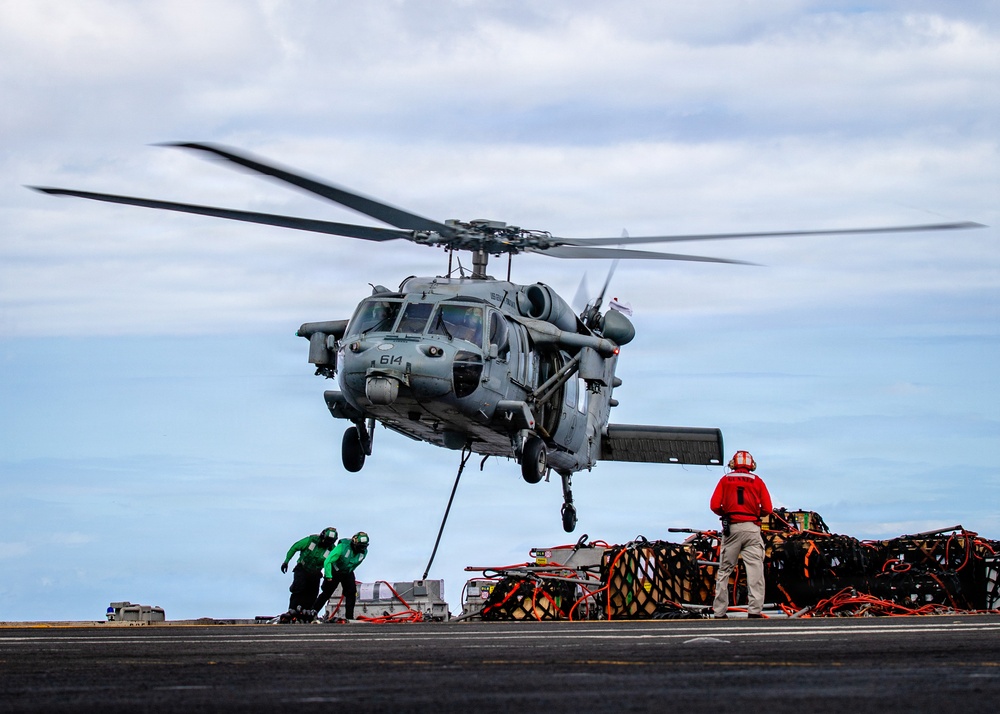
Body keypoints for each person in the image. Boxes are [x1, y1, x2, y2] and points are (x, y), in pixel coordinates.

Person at [710, 451, 773, 619]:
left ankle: (719, 611)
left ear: (733, 464)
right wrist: (754, 513)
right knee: (755, 571)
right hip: (752, 529)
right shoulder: (757, 481)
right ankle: (754, 611)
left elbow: (714, 505)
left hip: (732, 528)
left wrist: (726, 513)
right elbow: (767, 508)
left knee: (724, 570)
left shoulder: (725, 480)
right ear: (751, 464)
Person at [280, 527, 338, 620]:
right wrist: (286, 561)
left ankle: (307, 611)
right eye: (326, 540)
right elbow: (295, 547)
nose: (327, 543)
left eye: (330, 541)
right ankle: (292, 609)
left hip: (316, 571)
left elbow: (334, 561)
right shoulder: (311, 540)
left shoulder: (332, 549)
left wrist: (329, 576)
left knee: (313, 592)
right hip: (302, 568)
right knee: (298, 587)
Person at [313, 531, 370, 621]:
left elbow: (355, 564)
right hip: (335, 571)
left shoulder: (364, 552)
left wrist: (349, 574)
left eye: (363, 546)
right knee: (326, 593)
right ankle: (313, 612)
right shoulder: (342, 547)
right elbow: (328, 561)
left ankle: (349, 617)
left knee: (351, 593)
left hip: (347, 571)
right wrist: (328, 575)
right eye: (360, 546)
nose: (361, 549)